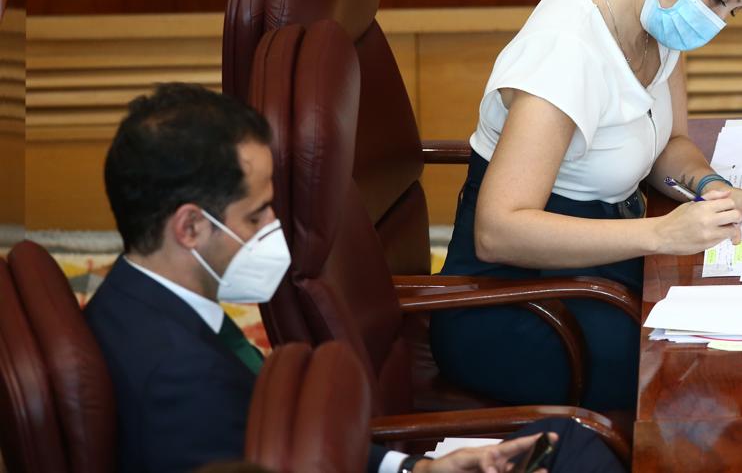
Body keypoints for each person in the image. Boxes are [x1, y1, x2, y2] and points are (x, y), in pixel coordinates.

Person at [86, 84, 618, 473]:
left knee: (563, 441)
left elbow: (287, 447)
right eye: (256, 215)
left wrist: (417, 470)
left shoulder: (137, 301)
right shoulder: (179, 382)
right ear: (190, 227)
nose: (274, 230)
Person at [431, 0, 742, 412]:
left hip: (598, 259)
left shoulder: (653, 2)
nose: (719, 22)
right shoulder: (568, 51)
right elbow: (499, 230)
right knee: (690, 369)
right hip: (513, 299)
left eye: (736, 11)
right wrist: (659, 236)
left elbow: (667, 143)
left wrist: (711, 187)